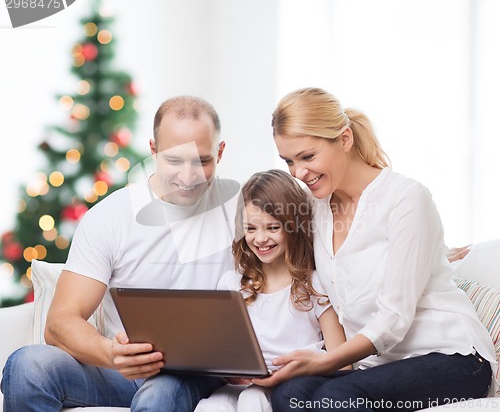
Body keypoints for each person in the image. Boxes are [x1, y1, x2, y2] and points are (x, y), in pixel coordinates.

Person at [253, 87, 497, 412]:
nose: (298, 173)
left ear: (344, 139)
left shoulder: (406, 199)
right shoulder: (314, 209)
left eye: (308, 157)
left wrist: (324, 362)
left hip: (453, 359)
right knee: (288, 394)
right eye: (289, 161)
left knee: (334, 399)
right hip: (378, 368)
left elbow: (393, 319)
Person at [1, 96, 240, 412]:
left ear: (220, 152)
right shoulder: (111, 216)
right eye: (174, 161)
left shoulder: (245, 211)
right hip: (122, 373)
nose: (188, 176)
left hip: (200, 374)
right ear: (153, 150)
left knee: (160, 394)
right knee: (27, 366)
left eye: (202, 161)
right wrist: (111, 353)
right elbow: (59, 322)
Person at [195, 169, 350, 412]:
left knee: (253, 400)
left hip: (289, 387)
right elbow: (222, 352)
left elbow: (342, 363)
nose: (260, 238)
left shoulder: (315, 285)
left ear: (293, 226)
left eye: (272, 227)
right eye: (251, 228)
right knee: (210, 407)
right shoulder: (232, 284)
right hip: (240, 385)